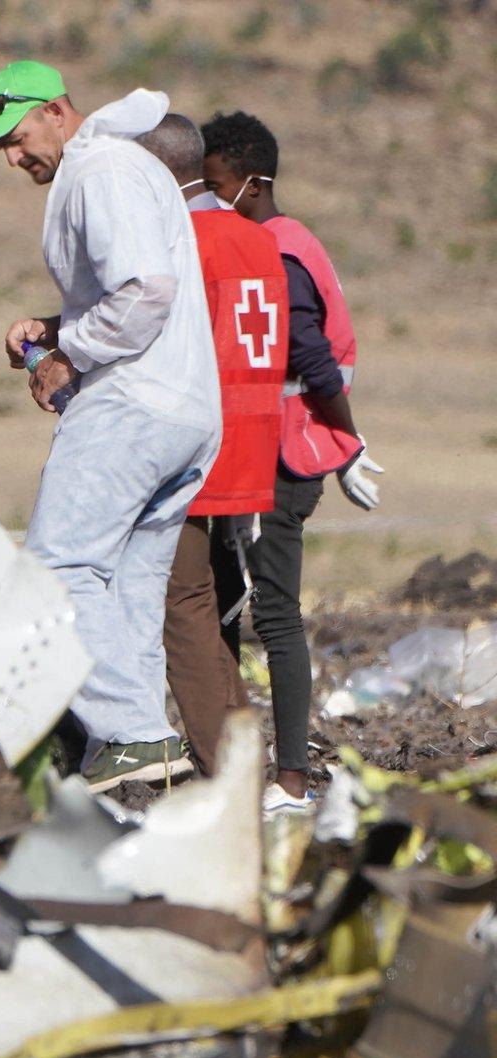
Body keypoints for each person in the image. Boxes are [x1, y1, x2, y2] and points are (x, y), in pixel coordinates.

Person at [0, 61, 221, 790]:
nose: (13, 159)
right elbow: (136, 289)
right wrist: (55, 326)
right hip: (186, 409)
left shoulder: (100, 168)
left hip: (133, 408)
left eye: (14, 139)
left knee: (56, 572)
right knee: (127, 585)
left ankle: (134, 735)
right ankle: (136, 755)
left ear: (55, 111)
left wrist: (67, 355)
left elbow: (145, 293)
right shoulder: (126, 166)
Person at [202, 110, 384, 810]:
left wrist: (349, 443)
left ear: (255, 182)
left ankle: (290, 781)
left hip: (290, 453)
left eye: (218, 186)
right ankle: (237, 761)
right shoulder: (279, 243)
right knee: (223, 601)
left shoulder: (277, 253)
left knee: (275, 614)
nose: (213, 201)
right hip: (269, 449)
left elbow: (309, 358)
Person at [136, 113, 287, 779]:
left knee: (181, 602)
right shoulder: (257, 239)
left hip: (200, 443)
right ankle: (242, 753)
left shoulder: (181, 240)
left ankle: (225, 770)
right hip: (254, 439)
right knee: (208, 597)